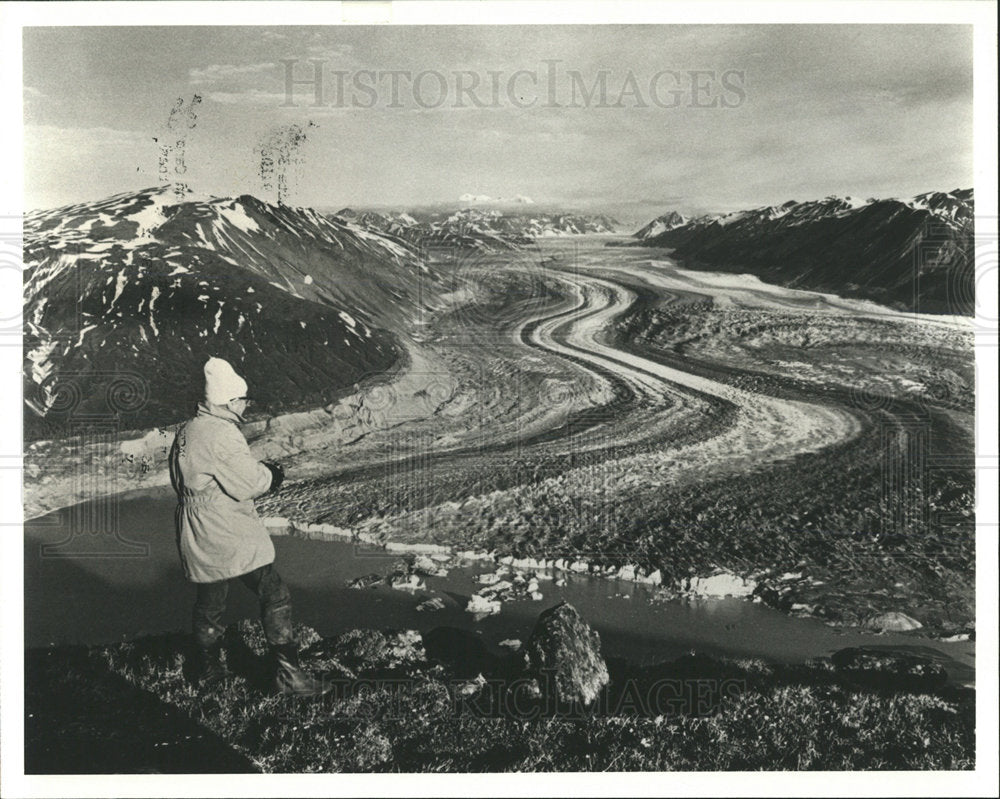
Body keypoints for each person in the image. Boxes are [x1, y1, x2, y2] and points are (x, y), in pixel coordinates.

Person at [169, 356, 329, 696]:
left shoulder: (188, 430)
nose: (245, 404)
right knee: (273, 591)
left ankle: (208, 673)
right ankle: (288, 677)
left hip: (195, 526)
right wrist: (272, 475)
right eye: (242, 399)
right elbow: (247, 483)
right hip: (225, 525)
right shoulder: (222, 433)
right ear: (228, 401)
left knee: (210, 601)